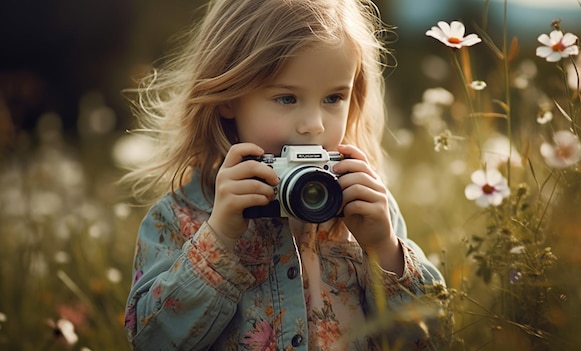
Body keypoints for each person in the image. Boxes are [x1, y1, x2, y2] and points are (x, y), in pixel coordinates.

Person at [122, 0, 448, 350]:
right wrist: (218, 238)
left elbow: (432, 341)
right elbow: (150, 341)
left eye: (334, 98)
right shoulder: (178, 217)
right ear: (229, 97)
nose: (314, 125)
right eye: (287, 98)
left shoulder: (364, 211)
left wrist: (384, 250)